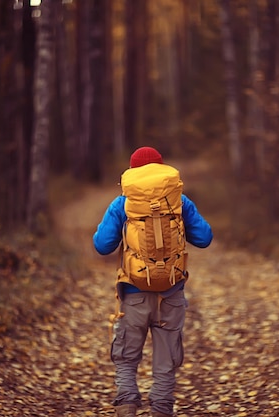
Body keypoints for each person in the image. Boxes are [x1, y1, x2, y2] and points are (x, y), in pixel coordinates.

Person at [93, 146, 213, 417]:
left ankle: (126, 404)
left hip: (134, 292)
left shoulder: (123, 203)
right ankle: (160, 408)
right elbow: (204, 238)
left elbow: (102, 245)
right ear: (161, 168)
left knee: (126, 354)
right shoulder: (180, 201)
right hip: (171, 292)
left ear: (133, 171)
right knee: (167, 357)